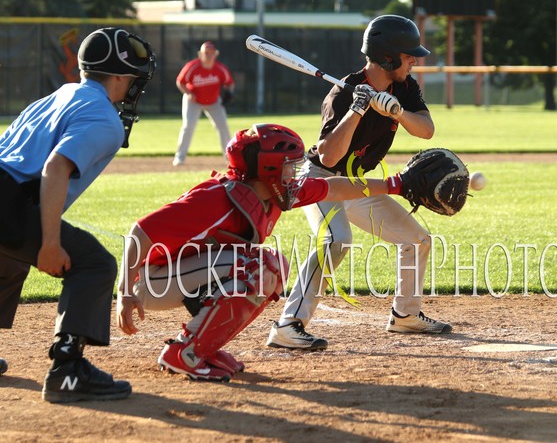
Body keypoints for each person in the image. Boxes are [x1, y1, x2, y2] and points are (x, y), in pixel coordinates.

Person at [116, 123, 412, 381]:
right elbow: (140, 232)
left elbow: (333, 188)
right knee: (259, 267)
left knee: (272, 269)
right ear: (268, 169)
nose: (296, 175)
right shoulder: (217, 199)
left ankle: (201, 349)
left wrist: (394, 185)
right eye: (290, 167)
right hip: (149, 281)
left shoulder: (271, 193)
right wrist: (125, 292)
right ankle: (186, 353)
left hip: (181, 274)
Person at [267, 14, 450, 352]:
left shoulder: (404, 87)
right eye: (408, 56)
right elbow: (330, 157)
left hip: (354, 182)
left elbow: (426, 129)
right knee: (337, 239)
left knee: (417, 239)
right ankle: (288, 325)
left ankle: (405, 315)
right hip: (319, 179)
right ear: (387, 57)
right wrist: (358, 109)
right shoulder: (341, 96)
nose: (414, 61)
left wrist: (396, 112)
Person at [0, 27, 156, 402]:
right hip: (8, 200)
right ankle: (67, 371)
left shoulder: (57, 95)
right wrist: (50, 243)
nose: (134, 88)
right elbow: (55, 169)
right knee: (94, 264)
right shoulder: (105, 118)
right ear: (120, 77)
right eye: (134, 79)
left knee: (9, 260)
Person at [173, 41, 235, 166]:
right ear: (200, 54)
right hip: (193, 101)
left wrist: (228, 95)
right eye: (206, 52)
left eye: (211, 53)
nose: (209, 55)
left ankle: (230, 158)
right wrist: (189, 93)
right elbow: (180, 82)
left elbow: (230, 83)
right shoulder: (193, 66)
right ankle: (179, 158)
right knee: (188, 126)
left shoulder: (220, 68)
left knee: (223, 127)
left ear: (215, 54)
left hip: (213, 102)